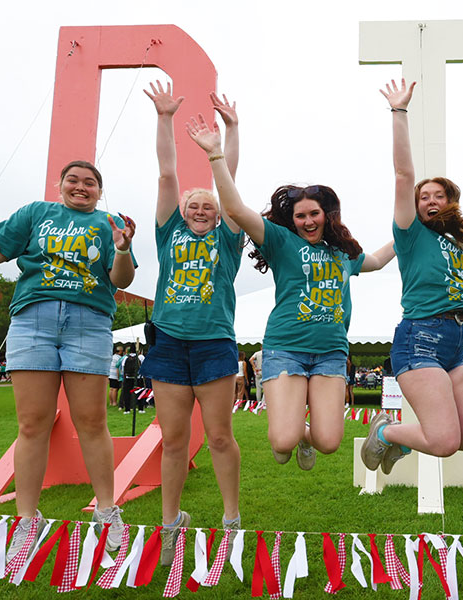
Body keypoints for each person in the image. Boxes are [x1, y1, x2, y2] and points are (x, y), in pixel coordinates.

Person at [0, 157, 135, 560]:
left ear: (100, 191)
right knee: (32, 424)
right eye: (73, 180)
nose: (80, 187)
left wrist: (122, 250)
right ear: (59, 184)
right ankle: (28, 520)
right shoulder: (36, 213)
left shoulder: (108, 223)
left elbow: (121, 280)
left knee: (92, 421)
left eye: (90, 183)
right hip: (34, 321)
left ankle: (106, 510)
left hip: (89, 322)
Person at [186, 108, 395, 474]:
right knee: (282, 442)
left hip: (330, 352)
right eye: (300, 216)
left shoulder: (342, 252)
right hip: (286, 348)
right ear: (292, 220)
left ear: (326, 215)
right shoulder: (281, 241)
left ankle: (305, 434)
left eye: (314, 213)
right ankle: (294, 435)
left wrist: (408, 234)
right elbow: (234, 207)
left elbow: (376, 260)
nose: (308, 221)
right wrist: (216, 154)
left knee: (329, 443)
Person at [361, 79, 463, 475]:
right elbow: (402, 174)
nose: (431, 201)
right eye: (424, 196)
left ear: (451, 202)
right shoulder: (411, 234)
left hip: (456, 344)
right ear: (415, 206)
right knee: (445, 442)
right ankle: (387, 433)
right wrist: (399, 113)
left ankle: (399, 437)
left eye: (439, 196)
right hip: (421, 338)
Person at [137, 83, 245, 561]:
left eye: (209, 207)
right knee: (174, 440)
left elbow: (230, 185)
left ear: (219, 216)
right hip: (168, 346)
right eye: (193, 206)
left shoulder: (228, 239)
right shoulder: (169, 234)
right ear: (182, 214)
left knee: (220, 436)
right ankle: (170, 523)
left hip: (213, 344)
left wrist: (231, 131)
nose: (201, 209)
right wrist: (164, 118)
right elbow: (166, 174)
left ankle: (231, 519)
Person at [120, 349, 142, 414]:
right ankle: (141, 408)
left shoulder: (126, 358)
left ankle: (127, 409)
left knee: (127, 394)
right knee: (140, 393)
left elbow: (122, 368)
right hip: (138, 378)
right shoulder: (140, 357)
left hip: (128, 377)